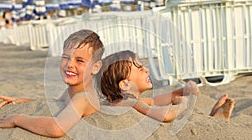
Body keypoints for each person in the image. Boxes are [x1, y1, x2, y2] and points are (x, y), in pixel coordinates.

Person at [0, 29, 105, 138]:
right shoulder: (73, 92)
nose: (70, 64)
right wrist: (23, 101)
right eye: (66, 57)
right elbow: (58, 103)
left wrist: (17, 119)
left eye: (79, 60)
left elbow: (56, 128)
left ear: (95, 67)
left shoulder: (84, 97)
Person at [97, 50, 235, 122]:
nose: (146, 69)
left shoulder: (124, 101)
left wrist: (182, 91)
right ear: (125, 84)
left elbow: (154, 101)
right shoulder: (128, 102)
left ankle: (211, 119)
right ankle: (214, 120)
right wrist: (183, 104)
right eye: (139, 69)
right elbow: (166, 115)